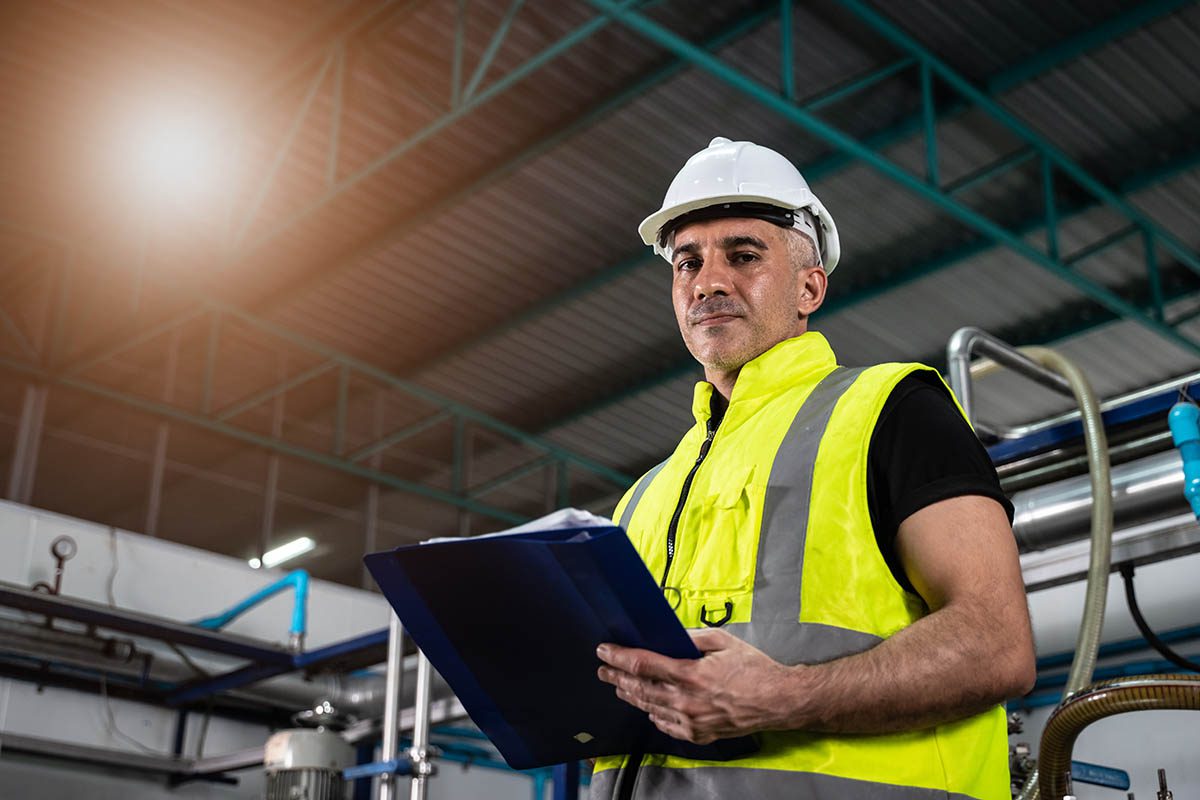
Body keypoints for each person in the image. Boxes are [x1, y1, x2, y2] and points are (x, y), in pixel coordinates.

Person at [591, 137, 1035, 800]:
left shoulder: (890, 409)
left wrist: (782, 697)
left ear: (809, 286)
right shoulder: (640, 500)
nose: (708, 281)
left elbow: (997, 645)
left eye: (742, 255)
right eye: (687, 263)